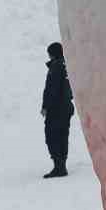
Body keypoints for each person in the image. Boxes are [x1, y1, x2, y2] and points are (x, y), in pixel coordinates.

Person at [42, 41, 74, 178]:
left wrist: (45, 107)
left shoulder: (55, 68)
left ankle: (58, 166)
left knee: (52, 136)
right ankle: (62, 165)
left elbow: (51, 90)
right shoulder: (69, 65)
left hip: (56, 109)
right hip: (67, 107)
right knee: (63, 135)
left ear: (52, 54)